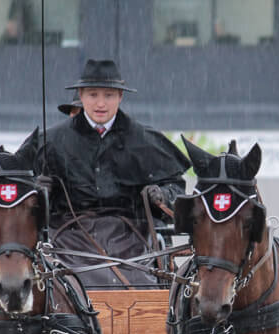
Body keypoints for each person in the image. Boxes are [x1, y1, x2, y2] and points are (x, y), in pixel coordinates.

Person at [33, 59, 190, 287]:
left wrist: (162, 195)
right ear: (81, 96)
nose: (100, 103)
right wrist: (38, 190)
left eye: (108, 95)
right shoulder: (51, 142)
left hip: (131, 242)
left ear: (120, 96)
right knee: (55, 286)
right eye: (93, 95)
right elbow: (19, 191)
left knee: (143, 288)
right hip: (67, 242)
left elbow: (176, 189)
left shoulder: (144, 140)